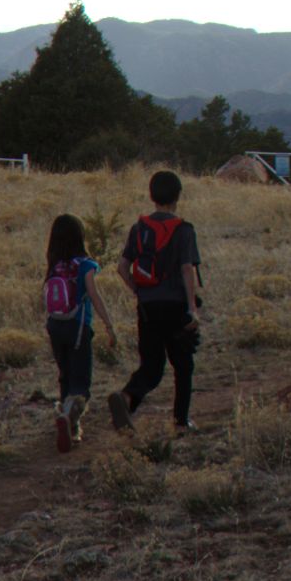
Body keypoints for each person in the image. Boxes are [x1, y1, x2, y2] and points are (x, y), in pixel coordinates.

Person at [108, 170, 207, 433]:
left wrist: (138, 292)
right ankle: (181, 422)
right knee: (183, 365)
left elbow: (122, 267)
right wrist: (192, 308)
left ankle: (127, 397)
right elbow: (187, 269)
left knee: (151, 366)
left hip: (148, 307)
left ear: (152, 196)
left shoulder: (139, 228)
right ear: (177, 196)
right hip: (176, 306)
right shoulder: (184, 230)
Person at [42, 214, 120, 452]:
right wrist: (109, 325)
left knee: (65, 374)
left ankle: (71, 428)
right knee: (81, 382)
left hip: (55, 326)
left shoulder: (54, 264)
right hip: (78, 327)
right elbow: (94, 296)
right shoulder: (85, 265)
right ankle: (69, 418)